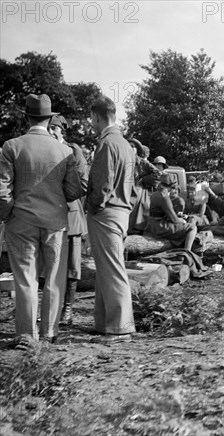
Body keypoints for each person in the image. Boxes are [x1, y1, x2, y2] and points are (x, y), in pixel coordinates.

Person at [0, 94, 81, 347]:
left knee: (25, 279)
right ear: (49, 118)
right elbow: (73, 192)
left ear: (27, 117)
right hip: (55, 224)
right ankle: (49, 333)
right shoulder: (65, 150)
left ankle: (26, 335)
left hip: (21, 222)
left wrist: (8, 216)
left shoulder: (11, 146)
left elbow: (2, 191)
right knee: (55, 278)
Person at [87, 95, 137, 343]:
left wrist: (92, 207)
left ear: (96, 117)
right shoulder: (126, 145)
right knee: (106, 269)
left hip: (106, 213)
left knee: (113, 270)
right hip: (121, 211)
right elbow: (133, 189)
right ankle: (105, 323)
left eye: (92, 120)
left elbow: (102, 186)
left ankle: (120, 328)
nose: (92, 125)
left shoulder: (106, 144)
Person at [48, 115, 89, 325]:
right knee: (49, 264)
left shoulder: (73, 150)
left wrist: (57, 193)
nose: (51, 131)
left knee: (72, 267)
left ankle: (67, 310)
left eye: (54, 128)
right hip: (46, 215)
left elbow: (83, 184)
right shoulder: (42, 149)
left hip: (70, 215)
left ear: (61, 130)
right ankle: (50, 309)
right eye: (48, 127)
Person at [145, 173, 198, 250]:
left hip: (152, 224)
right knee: (192, 227)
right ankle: (187, 252)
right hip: (160, 227)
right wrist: (182, 220)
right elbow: (175, 220)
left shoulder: (155, 194)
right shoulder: (164, 197)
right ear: (171, 186)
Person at [128, 138, 161, 235]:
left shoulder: (142, 162)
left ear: (137, 150)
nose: (130, 148)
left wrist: (143, 181)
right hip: (124, 194)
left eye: (133, 147)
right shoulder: (121, 161)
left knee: (136, 223)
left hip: (138, 195)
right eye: (129, 146)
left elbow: (157, 174)